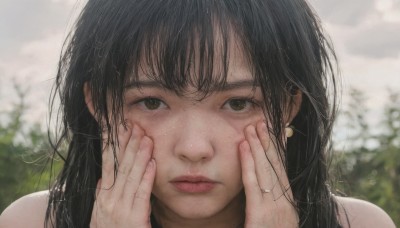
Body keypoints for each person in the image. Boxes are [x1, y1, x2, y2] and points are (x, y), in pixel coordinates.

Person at [0, 0, 396, 227]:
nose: (193, 148)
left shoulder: (359, 226)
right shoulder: (34, 222)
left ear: (290, 107)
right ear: (97, 104)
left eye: (238, 103)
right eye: (151, 102)